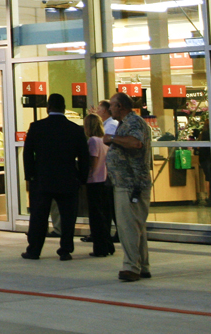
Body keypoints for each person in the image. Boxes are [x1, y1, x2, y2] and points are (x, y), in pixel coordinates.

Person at [20, 93, 90, 261]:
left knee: (39, 216)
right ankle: (65, 250)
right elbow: (84, 156)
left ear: (48, 108)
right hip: (67, 178)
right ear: (64, 108)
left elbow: (28, 154)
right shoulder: (75, 129)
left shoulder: (36, 127)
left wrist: (29, 175)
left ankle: (34, 250)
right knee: (67, 217)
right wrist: (82, 177)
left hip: (42, 178)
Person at [104, 91, 153, 281]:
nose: (109, 109)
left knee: (128, 227)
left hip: (131, 183)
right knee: (136, 226)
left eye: (112, 105)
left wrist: (112, 139)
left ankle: (131, 267)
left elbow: (136, 143)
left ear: (121, 107)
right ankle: (142, 265)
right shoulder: (128, 123)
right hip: (128, 182)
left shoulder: (134, 123)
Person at [83, 114, 114, 258]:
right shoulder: (104, 140)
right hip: (105, 180)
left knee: (96, 217)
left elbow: (93, 162)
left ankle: (100, 248)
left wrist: (86, 175)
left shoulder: (93, 141)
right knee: (105, 215)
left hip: (94, 181)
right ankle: (108, 244)